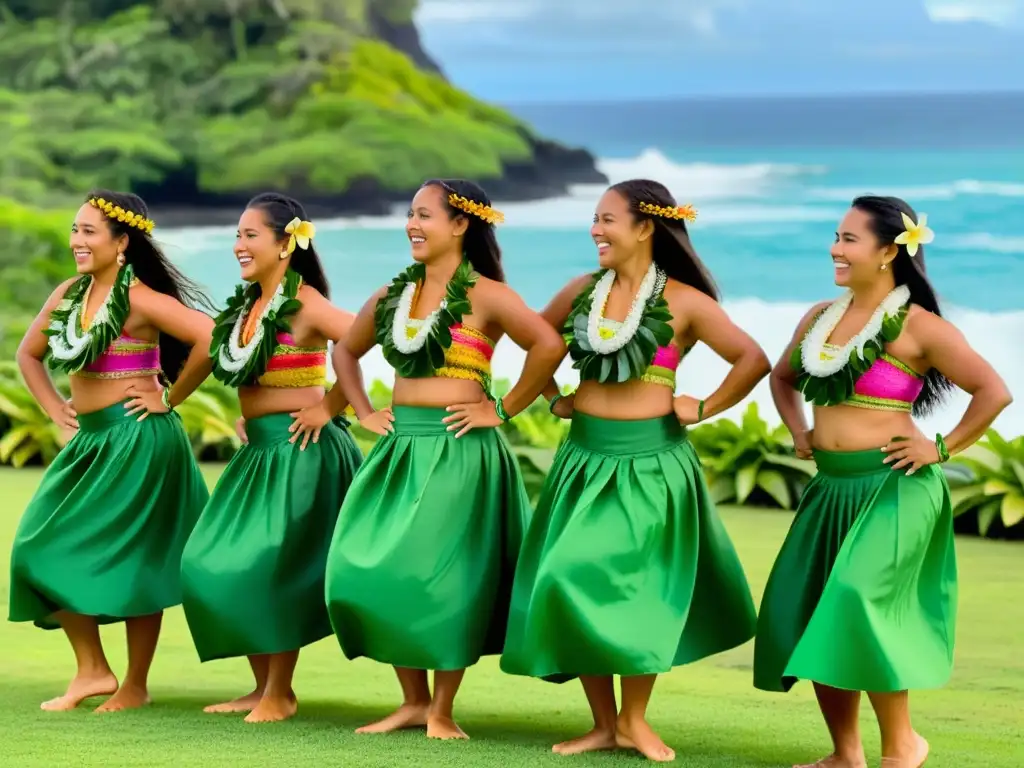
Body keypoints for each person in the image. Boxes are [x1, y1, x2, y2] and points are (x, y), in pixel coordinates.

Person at [500, 179, 770, 762]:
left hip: (652, 462)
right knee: (571, 578)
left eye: (607, 220)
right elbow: (533, 341)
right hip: (584, 459)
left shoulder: (686, 302)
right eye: (593, 220)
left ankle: (633, 721)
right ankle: (602, 722)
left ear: (645, 227)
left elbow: (753, 359)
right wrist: (552, 398)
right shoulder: (580, 291)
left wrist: (703, 406)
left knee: (637, 593)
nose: (596, 231)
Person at [753, 196, 1012, 768]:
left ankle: (904, 745)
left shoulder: (921, 327)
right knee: (812, 610)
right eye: (836, 236)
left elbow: (994, 391)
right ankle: (846, 753)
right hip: (832, 490)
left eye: (848, 239)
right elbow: (782, 376)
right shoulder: (820, 317)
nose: (835, 249)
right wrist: (799, 430)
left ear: (889, 251)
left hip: (894, 487)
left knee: (855, 603)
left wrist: (939, 446)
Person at [324, 179, 565, 740]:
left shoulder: (487, 295)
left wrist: (501, 410)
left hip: (460, 449)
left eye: (424, 214)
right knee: (371, 569)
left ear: (460, 224)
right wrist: (360, 409)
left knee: (447, 579)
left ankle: (441, 709)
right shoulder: (392, 295)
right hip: (401, 447)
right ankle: (411, 700)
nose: (412, 223)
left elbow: (547, 345)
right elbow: (345, 348)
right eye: (409, 213)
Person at [8, 190, 214, 713]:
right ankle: (93, 670)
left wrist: (169, 396)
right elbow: (28, 355)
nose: (77, 240)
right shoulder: (69, 295)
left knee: (139, 559)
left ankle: (135, 684)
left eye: (88, 232)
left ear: (121, 242)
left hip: (137, 438)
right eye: (75, 229)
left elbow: (211, 338)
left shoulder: (141, 299)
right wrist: (55, 406)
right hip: (91, 440)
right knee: (37, 545)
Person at [179, 192, 363, 724]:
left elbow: (361, 339)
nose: (239, 245)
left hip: (300, 451)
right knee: (208, 562)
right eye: (237, 235)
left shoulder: (304, 302)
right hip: (259, 448)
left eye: (250, 235)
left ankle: (279, 692)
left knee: (267, 566)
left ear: (286, 244)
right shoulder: (246, 305)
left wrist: (330, 407)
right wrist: (253, 415)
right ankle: (262, 686)